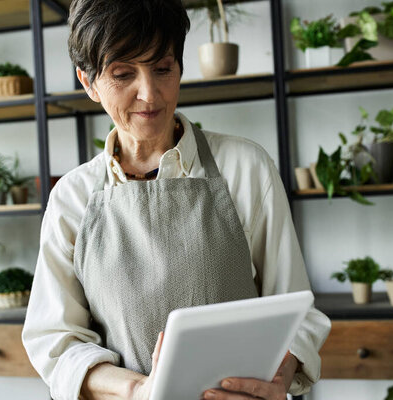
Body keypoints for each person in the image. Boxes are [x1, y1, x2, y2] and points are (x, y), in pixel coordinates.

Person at [22, 0, 331, 399]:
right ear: (88, 82)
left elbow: (296, 311)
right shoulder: (72, 198)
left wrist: (276, 382)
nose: (149, 94)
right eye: (123, 73)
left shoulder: (245, 168)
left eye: (163, 69)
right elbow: (56, 342)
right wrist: (137, 390)